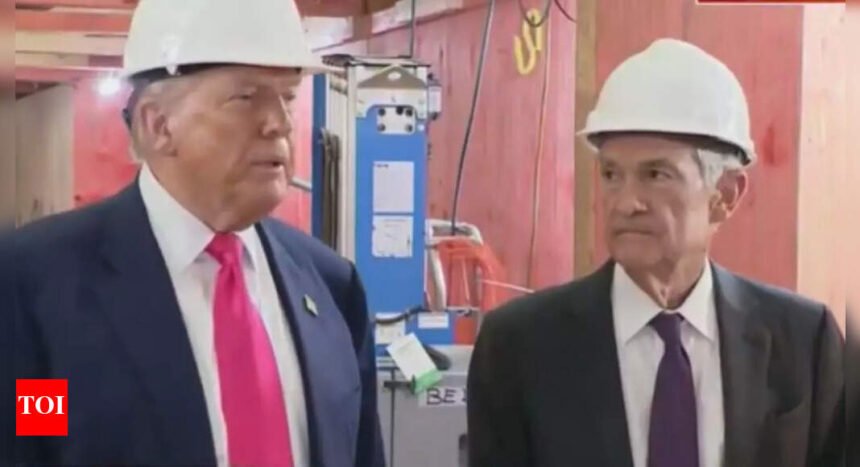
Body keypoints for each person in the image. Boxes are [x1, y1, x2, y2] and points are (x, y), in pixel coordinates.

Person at [0, 0, 384, 466]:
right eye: (246, 97)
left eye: (287, 96)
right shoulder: (37, 289)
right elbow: (29, 441)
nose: (280, 122)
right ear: (158, 124)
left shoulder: (331, 288)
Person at [467, 38, 844, 467]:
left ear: (725, 195)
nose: (626, 202)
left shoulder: (803, 342)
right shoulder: (520, 347)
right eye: (612, 174)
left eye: (656, 175)